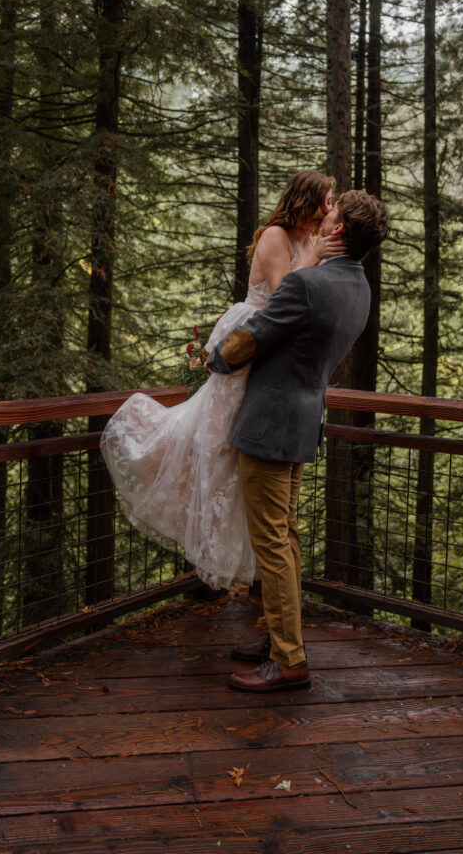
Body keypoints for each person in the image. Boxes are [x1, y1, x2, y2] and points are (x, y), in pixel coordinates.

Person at [100, 171, 346, 591]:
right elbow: (286, 290)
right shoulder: (275, 236)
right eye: (325, 201)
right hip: (251, 338)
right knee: (218, 441)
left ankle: (255, 578)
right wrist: (317, 255)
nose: (328, 210)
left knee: (238, 451)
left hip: (277, 351)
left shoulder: (311, 242)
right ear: (304, 200)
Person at [207, 190, 390, 693]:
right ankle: (277, 640)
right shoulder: (359, 287)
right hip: (306, 418)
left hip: (268, 423)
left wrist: (215, 357)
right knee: (283, 536)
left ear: (335, 232)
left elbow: (252, 337)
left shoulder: (308, 284)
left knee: (272, 542)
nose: (322, 215)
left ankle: (289, 659)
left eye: (329, 214)